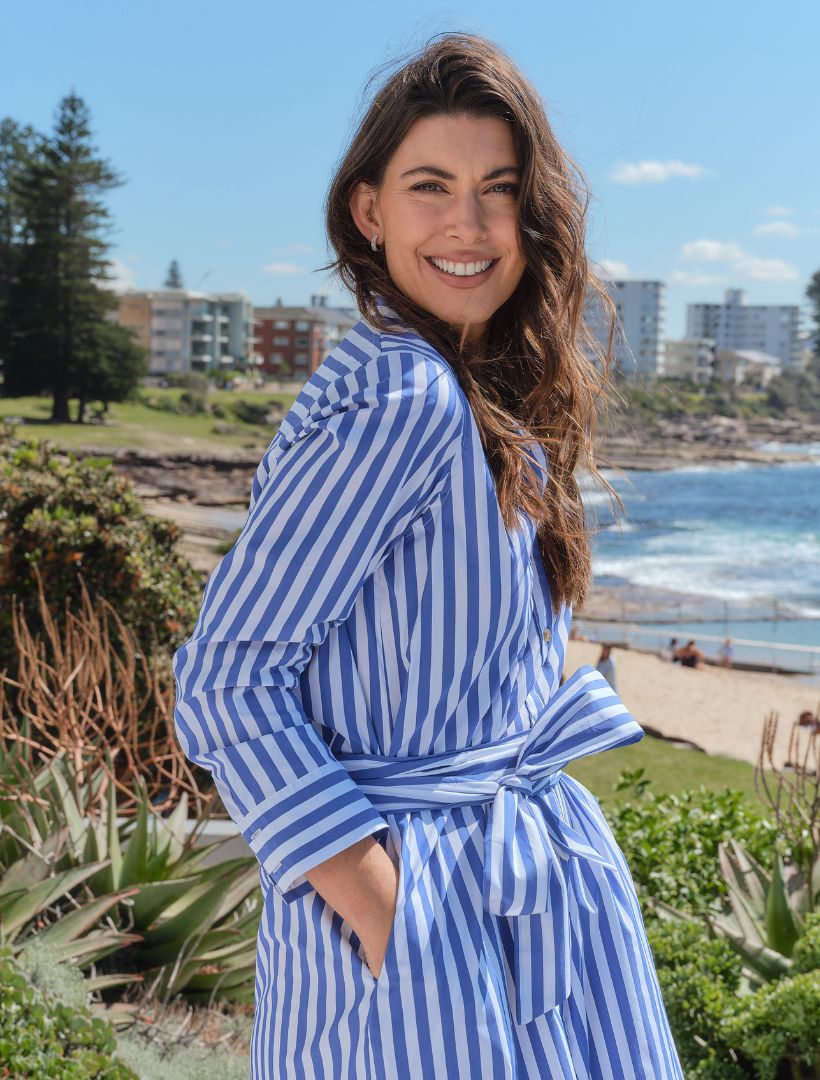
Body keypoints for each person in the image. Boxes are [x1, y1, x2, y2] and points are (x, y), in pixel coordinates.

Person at [172, 33, 683, 1079]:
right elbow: (225, 682)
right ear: (370, 211)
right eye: (429, 186)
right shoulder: (402, 398)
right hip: (426, 898)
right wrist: (387, 914)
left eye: (498, 188)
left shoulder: (470, 394)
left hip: (511, 872)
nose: (469, 224)